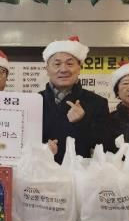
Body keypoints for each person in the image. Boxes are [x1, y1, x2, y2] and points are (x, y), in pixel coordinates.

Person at [40, 35, 112, 163]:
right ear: (47, 69)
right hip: (40, 170)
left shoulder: (97, 103)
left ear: (79, 68)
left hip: (81, 172)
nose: (63, 69)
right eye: (57, 64)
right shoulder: (35, 101)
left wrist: (81, 122)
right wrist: (41, 148)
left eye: (70, 64)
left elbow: (106, 146)